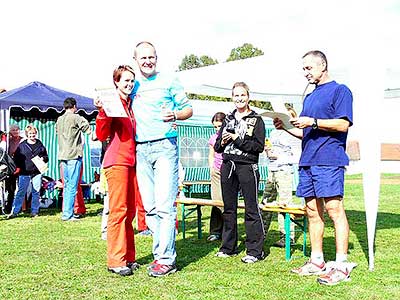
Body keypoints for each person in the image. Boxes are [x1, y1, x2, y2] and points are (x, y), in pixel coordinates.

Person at [275, 50, 354, 285]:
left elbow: (342, 124)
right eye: (303, 69)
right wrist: (286, 127)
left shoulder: (340, 90)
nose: (305, 73)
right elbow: (306, 132)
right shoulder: (309, 96)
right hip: (307, 161)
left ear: (323, 66)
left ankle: (341, 265)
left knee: (334, 210)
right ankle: (317, 260)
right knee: (311, 211)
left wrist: (314, 121)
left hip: (329, 160)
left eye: (309, 68)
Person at [131, 41, 193, 277]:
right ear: (135, 60)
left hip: (165, 146)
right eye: (143, 58)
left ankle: (166, 259)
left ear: (157, 58)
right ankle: (161, 253)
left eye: (152, 57)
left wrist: (176, 114)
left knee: (165, 206)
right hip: (140, 149)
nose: (148, 61)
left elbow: (188, 109)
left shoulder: (169, 80)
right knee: (150, 208)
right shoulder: (132, 84)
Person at [95, 64, 140, 276]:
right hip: (117, 161)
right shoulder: (112, 104)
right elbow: (102, 133)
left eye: (132, 81)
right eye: (125, 81)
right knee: (118, 211)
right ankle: (115, 260)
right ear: (116, 82)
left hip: (132, 162)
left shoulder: (131, 105)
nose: (129, 84)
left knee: (130, 211)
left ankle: (129, 257)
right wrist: (102, 111)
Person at [214, 82, 266, 263]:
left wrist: (237, 139)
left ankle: (254, 251)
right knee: (229, 209)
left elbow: (258, 147)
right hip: (228, 165)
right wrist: (223, 140)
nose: (239, 98)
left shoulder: (256, 119)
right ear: (232, 97)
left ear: (248, 96)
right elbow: (217, 147)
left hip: (247, 166)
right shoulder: (228, 118)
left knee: (251, 208)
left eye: (242, 95)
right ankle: (228, 247)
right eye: (236, 95)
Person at [261, 107, 301, 247]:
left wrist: (280, 157)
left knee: (284, 204)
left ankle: (287, 236)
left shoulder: (293, 135)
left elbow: (296, 156)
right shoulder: (272, 133)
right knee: (266, 202)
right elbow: (271, 151)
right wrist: (268, 152)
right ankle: (261, 233)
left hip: (284, 171)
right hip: (272, 170)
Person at [56, 97, 91, 221]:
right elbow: (88, 129)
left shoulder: (59, 119)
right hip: (74, 156)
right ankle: (68, 215)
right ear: (75, 106)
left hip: (62, 156)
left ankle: (66, 212)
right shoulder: (76, 117)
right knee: (72, 186)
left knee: (66, 186)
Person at [8, 124, 48, 218]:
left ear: (36, 133)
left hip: (37, 172)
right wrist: (16, 168)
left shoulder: (39, 144)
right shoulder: (22, 145)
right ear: (27, 134)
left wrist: (43, 159)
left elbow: (46, 157)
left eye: (33, 133)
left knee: (36, 192)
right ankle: (15, 211)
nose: (32, 135)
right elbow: (16, 159)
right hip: (24, 172)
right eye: (30, 133)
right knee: (21, 192)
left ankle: (35, 211)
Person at [207, 112, 226, 242]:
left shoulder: (229, 136)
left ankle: (227, 230)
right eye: (215, 127)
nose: (217, 129)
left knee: (227, 202)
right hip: (216, 172)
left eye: (220, 126)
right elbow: (211, 155)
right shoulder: (213, 138)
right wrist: (212, 168)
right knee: (216, 201)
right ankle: (215, 231)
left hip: (228, 172)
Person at [3, 124, 22, 214]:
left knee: (22, 187)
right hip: (11, 166)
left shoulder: (22, 140)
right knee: (10, 189)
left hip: (21, 165)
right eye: (13, 130)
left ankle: (21, 207)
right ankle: (9, 207)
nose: (15, 131)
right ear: (10, 131)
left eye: (16, 130)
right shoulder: (8, 141)